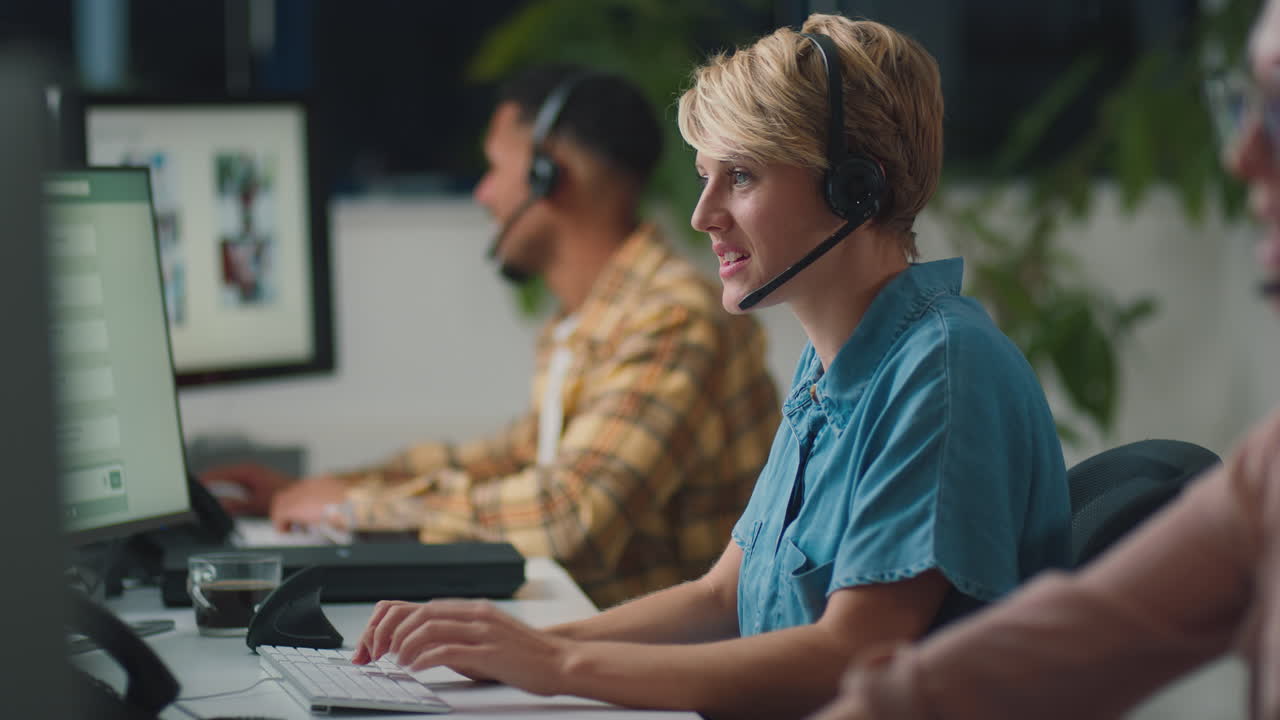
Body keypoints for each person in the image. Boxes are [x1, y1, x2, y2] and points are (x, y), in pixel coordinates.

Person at [348, 15, 1071, 718]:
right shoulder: (836, 374)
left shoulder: (941, 371)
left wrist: (557, 667)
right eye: (705, 175)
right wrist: (515, 646)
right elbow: (720, 599)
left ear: (859, 188)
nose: (702, 214)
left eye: (742, 176)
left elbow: (851, 655)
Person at [809, 3, 1280, 719]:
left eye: (1278, 109)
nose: (1240, 154)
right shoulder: (1270, 470)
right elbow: (1073, 635)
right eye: (1247, 106)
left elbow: (851, 646)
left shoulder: (939, 362)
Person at [199, 65, 782, 609]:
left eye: (495, 168)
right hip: (592, 636)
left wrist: (356, 508)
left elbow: (567, 516)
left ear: (547, 175)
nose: (483, 194)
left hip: (676, 680)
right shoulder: (589, 321)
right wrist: (326, 488)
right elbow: (513, 458)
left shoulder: (672, 318)